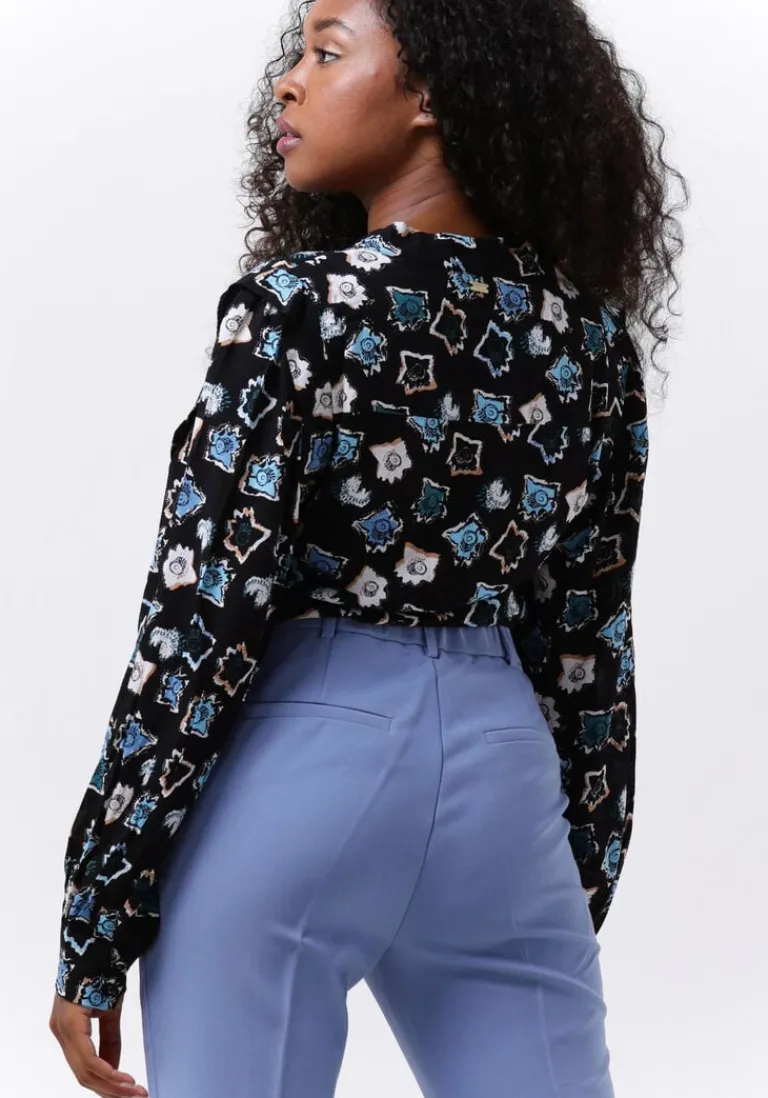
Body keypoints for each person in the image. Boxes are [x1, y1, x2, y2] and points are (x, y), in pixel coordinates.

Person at [49, 0, 686, 1095]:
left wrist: (99, 912)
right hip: (506, 769)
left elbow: (201, 620)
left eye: (327, 50)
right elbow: (589, 640)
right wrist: (567, 869)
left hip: (304, 760)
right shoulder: (588, 341)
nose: (287, 81)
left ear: (431, 88)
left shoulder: (297, 310)